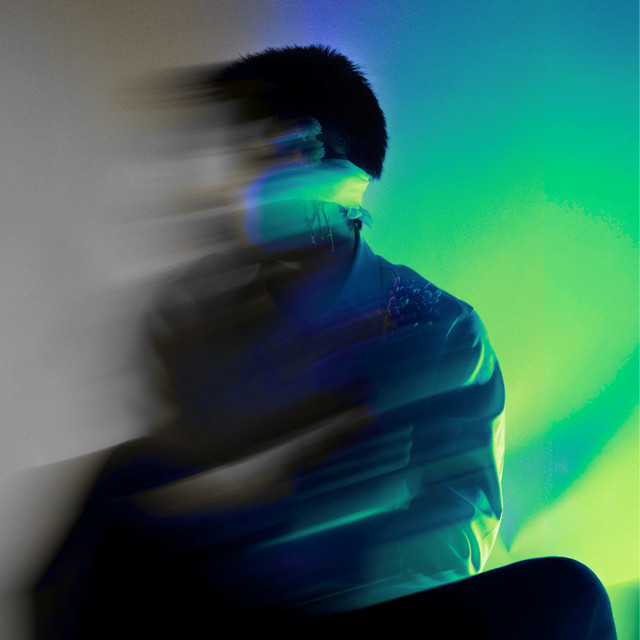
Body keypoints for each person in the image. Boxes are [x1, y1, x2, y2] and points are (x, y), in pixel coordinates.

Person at [32, 45, 615, 639]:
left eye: (240, 155)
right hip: (219, 605)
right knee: (125, 484)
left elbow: (453, 535)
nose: (217, 187)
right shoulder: (192, 314)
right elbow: (177, 502)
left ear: (308, 156)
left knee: (567, 594)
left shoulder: (438, 328)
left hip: (369, 615)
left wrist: (312, 536)